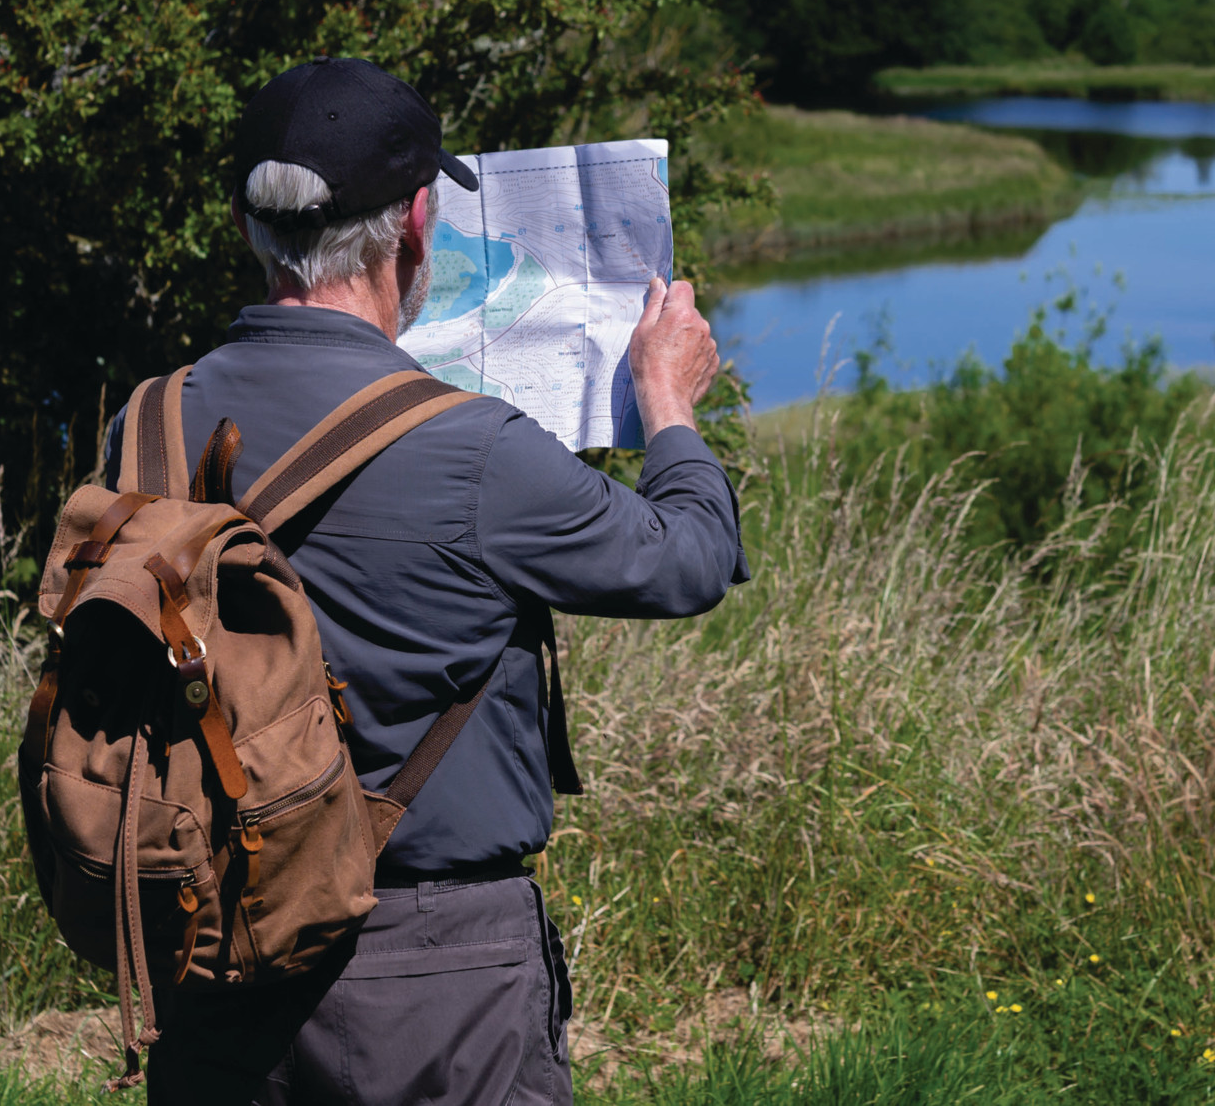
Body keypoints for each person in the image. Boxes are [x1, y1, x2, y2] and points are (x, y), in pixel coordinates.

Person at [117, 57, 746, 1106]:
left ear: (251, 226)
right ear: (418, 225)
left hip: (214, 950)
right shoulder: (475, 449)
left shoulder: (143, 422)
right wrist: (667, 401)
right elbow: (687, 560)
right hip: (434, 970)